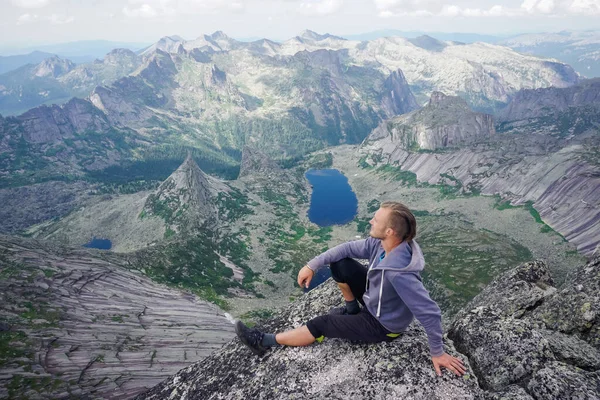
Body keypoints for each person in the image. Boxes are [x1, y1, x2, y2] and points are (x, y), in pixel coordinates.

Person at [235, 201, 466, 377]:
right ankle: (351, 308)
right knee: (340, 263)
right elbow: (345, 249)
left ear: (390, 232)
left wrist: (437, 352)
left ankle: (263, 342)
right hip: (374, 303)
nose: (370, 222)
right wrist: (312, 265)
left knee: (321, 324)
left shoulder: (400, 274)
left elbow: (430, 312)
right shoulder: (382, 244)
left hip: (382, 325)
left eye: (376, 220)